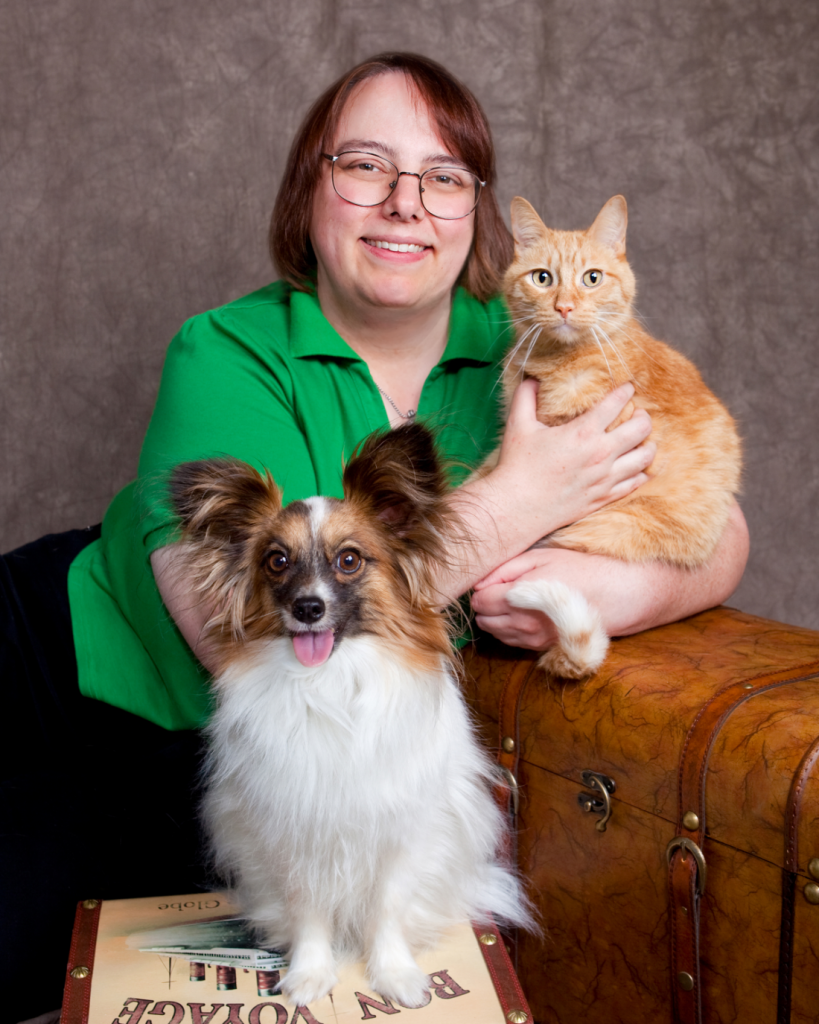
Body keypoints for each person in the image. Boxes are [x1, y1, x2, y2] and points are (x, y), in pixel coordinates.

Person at [2, 52, 748, 1022]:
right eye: (365, 166)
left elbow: (717, 520)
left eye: (443, 178)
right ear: (310, 189)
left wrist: (616, 593)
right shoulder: (225, 349)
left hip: (333, 783)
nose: (407, 202)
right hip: (99, 703)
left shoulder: (532, 332)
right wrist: (524, 499)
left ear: (475, 209)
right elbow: (246, 635)